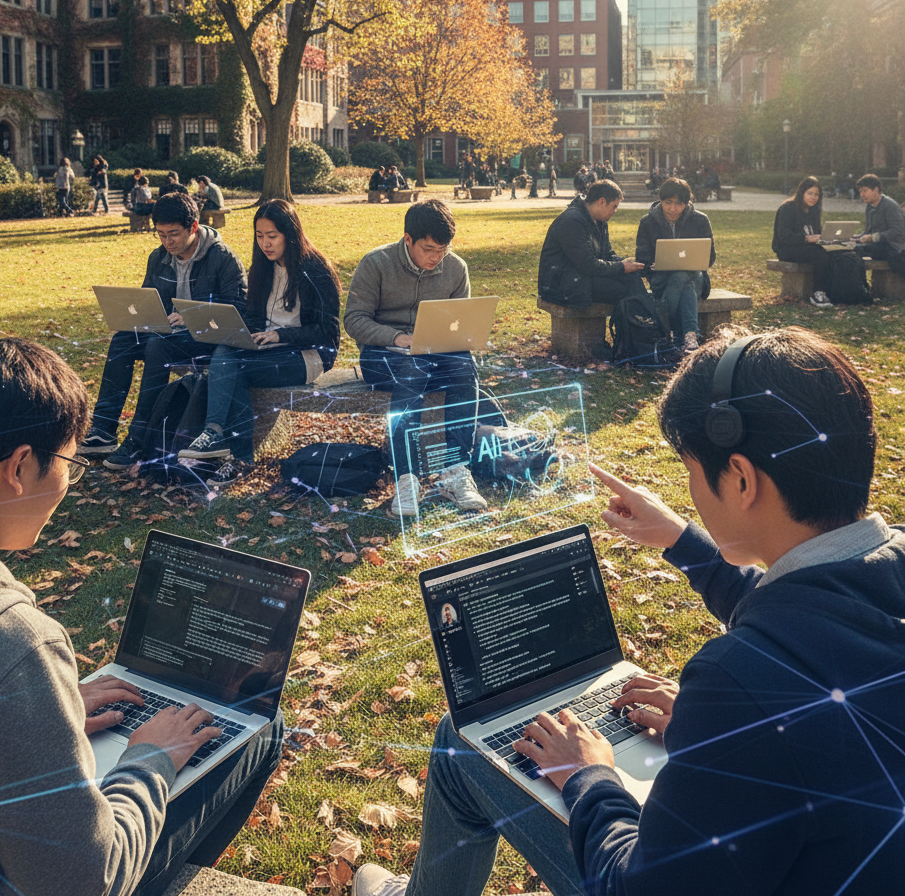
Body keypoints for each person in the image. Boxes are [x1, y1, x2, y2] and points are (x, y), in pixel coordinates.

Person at [352, 325, 905, 896]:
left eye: (692, 470)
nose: (690, 488)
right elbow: (820, 621)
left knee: (457, 743)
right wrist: (682, 542)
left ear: (741, 479)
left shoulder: (740, 684)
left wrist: (589, 776)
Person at [0, 337, 283, 896]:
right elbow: (84, 881)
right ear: (20, 467)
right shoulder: (15, 647)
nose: (69, 482)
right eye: (69, 462)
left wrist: (48, 712)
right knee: (261, 730)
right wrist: (149, 760)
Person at [78, 192, 247, 470]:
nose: (168, 242)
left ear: (193, 227)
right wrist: (141, 316)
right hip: (170, 333)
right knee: (123, 339)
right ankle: (103, 430)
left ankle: (138, 438)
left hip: (207, 339)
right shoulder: (158, 257)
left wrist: (191, 317)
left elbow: (238, 310)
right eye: (161, 234)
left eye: (174, 234)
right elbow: (148, 301)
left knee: (157, 345)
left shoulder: (222, 257)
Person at [178, 199, 341, 485]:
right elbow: (254, 316)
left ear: (290, 234)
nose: (265, 243)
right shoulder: (263, 268)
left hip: (306, 356)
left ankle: (231, 449)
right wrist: (239, 330)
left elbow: (328, 332)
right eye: (259, 236)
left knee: (234, 370)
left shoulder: (316, 270)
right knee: (225, 351)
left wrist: (281, 335)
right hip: (266, 350)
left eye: (272, 236)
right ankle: (222, 440)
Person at [345, 199, 486, 516]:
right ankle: (405, 479)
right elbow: (354, 319)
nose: (436, 258)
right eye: (429, 249)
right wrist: (396, 337)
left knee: (464, 366)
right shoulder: (376, 263)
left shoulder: (456, 268)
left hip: (434, 353)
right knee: (413, 368)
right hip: (381, 356)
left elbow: (459, 322)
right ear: (408, 239)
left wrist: (460, 338)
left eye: (443, 250)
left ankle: (456, 470)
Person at [537, 179, 647, 309]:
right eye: (614, 206)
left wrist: (632, 264)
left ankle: (647, 318)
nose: (615, 211)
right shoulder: (572, 221)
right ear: (601, 202)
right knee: (623, 290)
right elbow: (588, 264)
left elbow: (607, 255)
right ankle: (645, 318)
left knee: (631, 278)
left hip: (579, 277)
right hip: (561, 285)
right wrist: (621, 267)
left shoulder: (599, 221)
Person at [636, 177, 716, 352]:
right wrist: (651, 264)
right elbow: (641, 259)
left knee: (682, 276)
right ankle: (690, 335)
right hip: (661, 281)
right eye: (668, 203)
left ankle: (667, 331)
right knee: (681, 279)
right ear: (661, 200)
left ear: (686, 203)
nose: (673, 209)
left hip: (696, 279)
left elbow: (710, 258)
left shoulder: (700, 220)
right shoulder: (647, 222)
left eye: (679, 204)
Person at [771, 175, 834, 307]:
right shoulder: (788, 208)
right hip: (786, 249)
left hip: (806, 248)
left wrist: (825, 238)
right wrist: (806, 238)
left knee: (831, 253)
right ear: (802, 192)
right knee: (819, 255)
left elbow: (816, 233)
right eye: (810, 193)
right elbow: (783, 236)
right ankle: (817, 294)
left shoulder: (813, 210)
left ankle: (832, 291)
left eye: (816, 194)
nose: (813, 197)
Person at [854, 173, 905, 272]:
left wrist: (872, 237)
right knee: (851, 249)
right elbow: (868, 231)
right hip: (879, 245)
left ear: (876, 190)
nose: (862, 195)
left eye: (865, 191)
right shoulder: (870, 207)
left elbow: (897, 231)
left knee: (857, 250)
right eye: (860, 191)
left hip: (893, 248)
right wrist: (857, 238)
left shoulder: (890, 206)